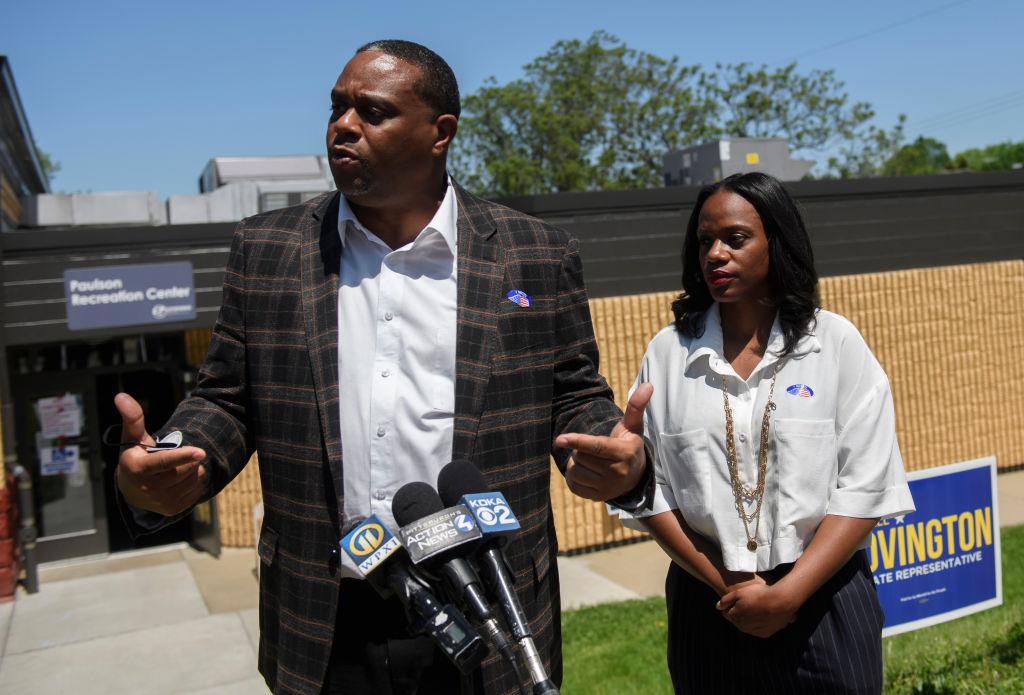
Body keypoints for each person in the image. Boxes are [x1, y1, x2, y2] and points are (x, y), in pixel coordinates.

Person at [113, 39, 651, 695]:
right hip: (327, 617)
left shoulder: (533, 253)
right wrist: (180, 454)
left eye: (372, 111)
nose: (343, 125)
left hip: (490, 604)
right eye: (338, 107)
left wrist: (616, 454)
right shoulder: (267, 249)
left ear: (439, 133)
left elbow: (572, 393)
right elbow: (227, 399)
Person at [624, 172, 914, 694]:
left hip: (824, 599)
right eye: (704, 241)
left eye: (735, 239)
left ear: (776, 242)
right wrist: (729, 586)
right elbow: (651, 492)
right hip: (709, 603)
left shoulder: (834, 343)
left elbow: (868, 485)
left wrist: (787, 594)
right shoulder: (668, 353)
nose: (715, 253)